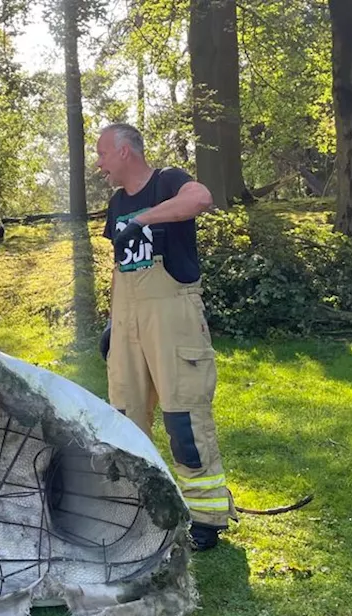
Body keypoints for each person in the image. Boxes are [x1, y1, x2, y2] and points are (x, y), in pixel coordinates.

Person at [94, 123, 235, 552]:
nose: (98, 162)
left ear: (124, 151)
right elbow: (122, 267)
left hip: (173, 316)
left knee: (183, 417)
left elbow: (201, 199)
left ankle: (206, 518)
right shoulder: (115, 202)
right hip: (129, 319)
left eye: (101, 153)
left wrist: (143, 218)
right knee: (124, 417)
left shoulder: (167, 182)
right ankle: (133, 512)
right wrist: (115, 323)